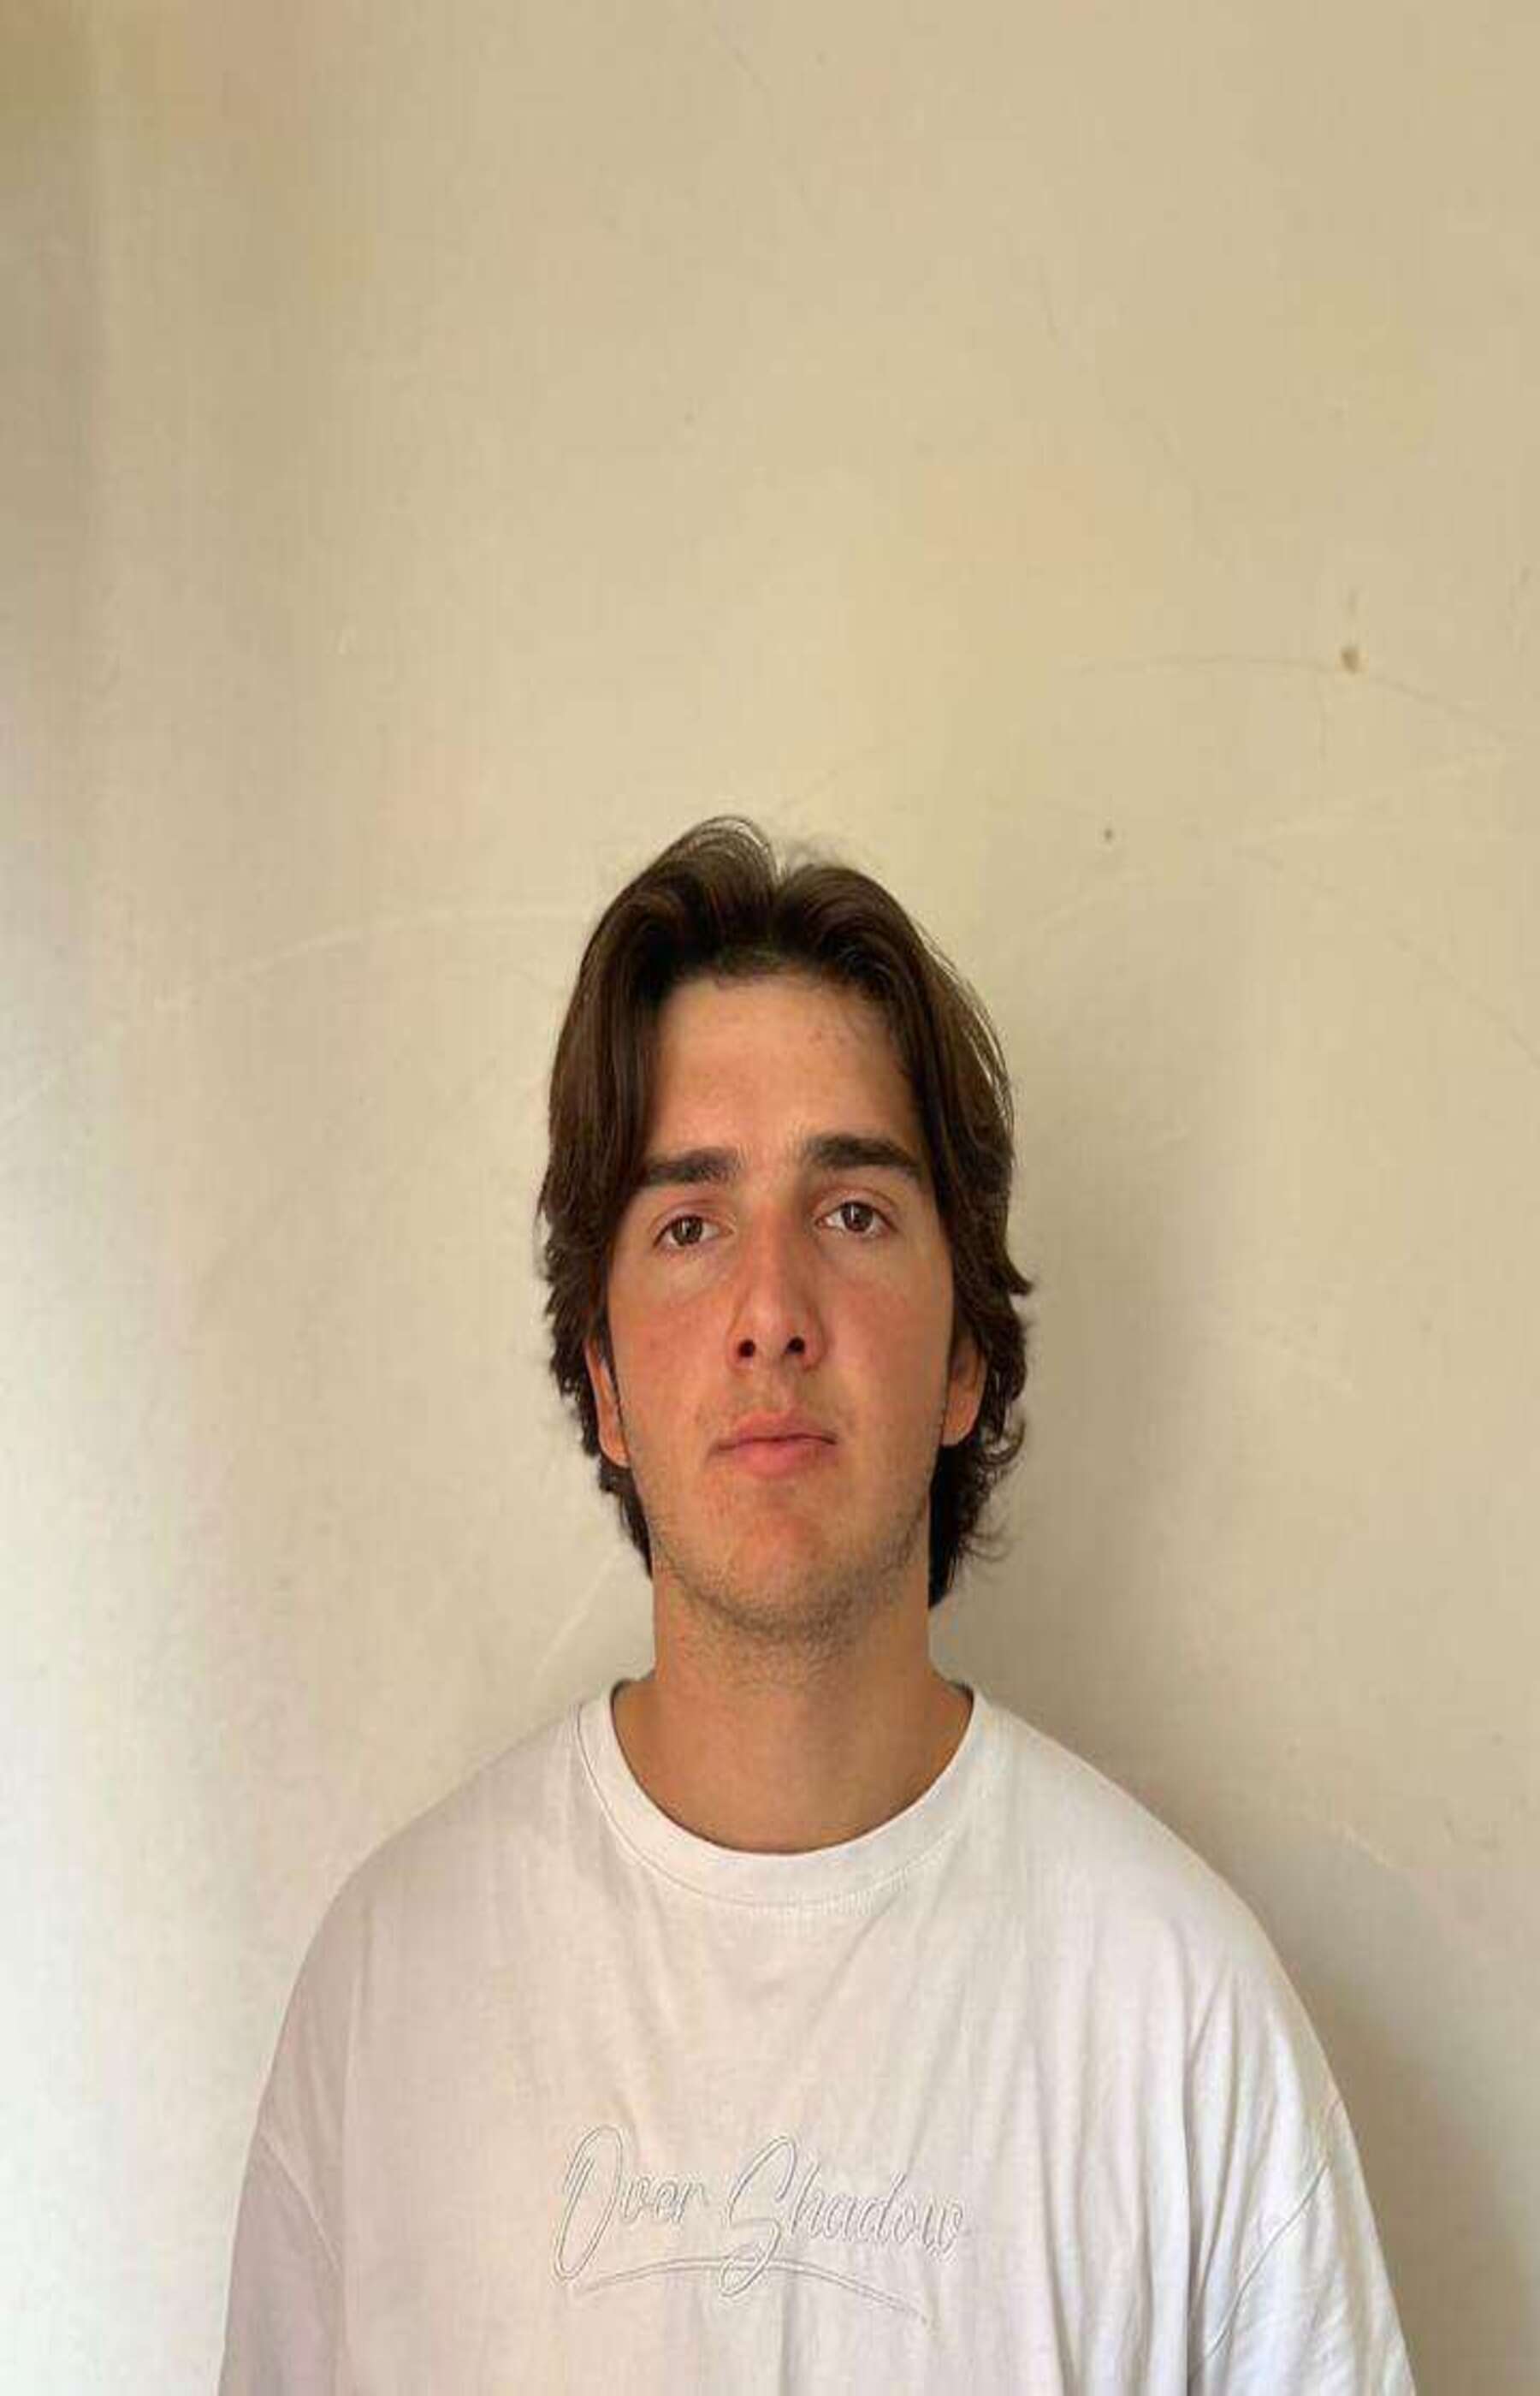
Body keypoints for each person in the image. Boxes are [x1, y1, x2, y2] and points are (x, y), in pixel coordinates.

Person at [220, 817, 1415, 2390]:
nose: (771, 1312)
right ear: (606, 1381)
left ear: (965, 1356)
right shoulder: (388, 2002)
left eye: (852, 1213)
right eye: (689, 1225)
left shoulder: (1184, 2020)